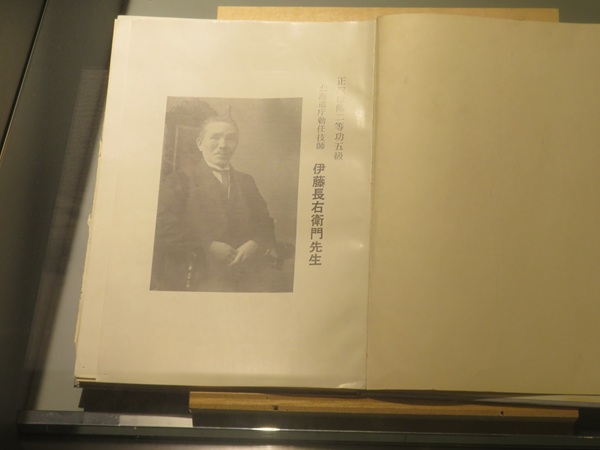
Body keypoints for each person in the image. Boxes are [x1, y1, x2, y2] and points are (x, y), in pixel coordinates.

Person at [152, 116, 282, 292]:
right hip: (196, 270)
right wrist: (209, 245)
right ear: (200, 143)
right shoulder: (179, 180)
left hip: (243, 272)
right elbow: (163, 225)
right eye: (215, 137)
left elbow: (265, 222)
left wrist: (254, 243)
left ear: (236, 144)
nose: (223, 145)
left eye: (230, 139)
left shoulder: (246, 181)